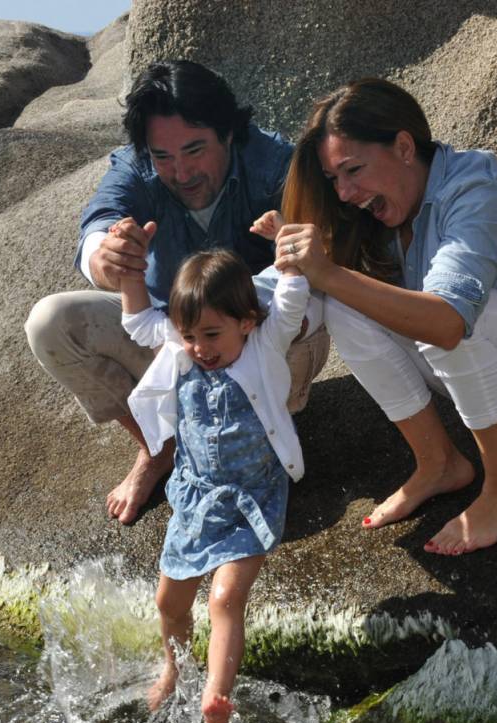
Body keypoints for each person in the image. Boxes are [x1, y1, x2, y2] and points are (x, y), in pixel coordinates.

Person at [273, 78, 497, 556]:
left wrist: (329, 273)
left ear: (404, 146)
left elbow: (447, 323)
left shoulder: (476, 186)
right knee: (346, 303)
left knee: (447, 316)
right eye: (334, 179)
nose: (343, 193)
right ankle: (439, 462)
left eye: (352, 170)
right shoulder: (386, 214)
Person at [24, 60, 327, 524]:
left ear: (228, 134)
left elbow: (323, 256)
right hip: (175, 344)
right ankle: (157, 449)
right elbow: (98, 221)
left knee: (310, 306)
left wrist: (253, 311)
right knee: (50, 322)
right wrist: (104, 257)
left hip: (266, 348)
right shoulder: (135, 166)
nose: (181, 172)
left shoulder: (272, 162)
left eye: (194, 150)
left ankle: (249, 438)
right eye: (162, 157)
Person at [119, 239, 309, 723]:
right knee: (169, 602)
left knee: (225, 598)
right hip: (195, 495)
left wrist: (287, 253)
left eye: (211, 334)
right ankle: (174, 667)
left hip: (252, 497)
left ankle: (217, 695)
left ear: (246, 321)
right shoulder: (184, 348)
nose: (200, 348)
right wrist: (131, 271)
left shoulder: (263, 347)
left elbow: (290, 305)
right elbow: (140, 323)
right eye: (189, 336)